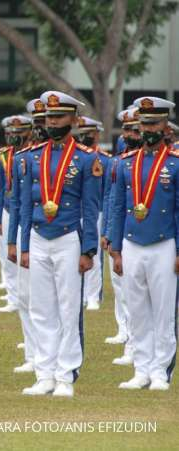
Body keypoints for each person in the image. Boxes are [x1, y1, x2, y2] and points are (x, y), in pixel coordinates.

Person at [19, 91, 100, 397]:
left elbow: (91, 208)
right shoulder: (31, 156)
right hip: (39, 235)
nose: (53, 122)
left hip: (68, 236)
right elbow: (25, 205)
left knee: (68, 309)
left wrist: (88, 249)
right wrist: (24, 246)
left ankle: (65, 375)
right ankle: (44, 373)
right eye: (49, 117)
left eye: (59, 117)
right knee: (40, 308)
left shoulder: (86, 158)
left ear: (74, 120)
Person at [110, 96, 178, 391]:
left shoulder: (174, 164)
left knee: (163, 310)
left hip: (164, 242)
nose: (148, 128)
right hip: (131, 242)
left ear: (165, 127)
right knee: (136, 308)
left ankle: (161, 370)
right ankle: (141, 367)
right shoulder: (125, 163)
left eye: (154, 123)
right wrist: (115, 247)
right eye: (144, 123)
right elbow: (116, 205)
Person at [6, 100, 47, 374]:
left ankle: (50, 356)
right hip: (27, 233)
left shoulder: (73, 157)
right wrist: (12, 241)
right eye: (40, 122)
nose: (43, 128)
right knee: (24, 296)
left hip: (57, 231)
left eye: (48, 121)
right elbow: (17, 205)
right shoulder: (24, 159)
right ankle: (32, 353)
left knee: (49, 301)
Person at [101, 107, 141, 365]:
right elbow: (110, 199)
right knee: (121, 288)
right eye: (126, 129)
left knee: (141, 295)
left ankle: (139, 344)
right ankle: (126, 335)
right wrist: (107, 231)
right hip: (121, 231)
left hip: (147, 233)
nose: (128, 135)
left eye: (134, 129)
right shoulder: (117, 162)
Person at [0, 116, 31, 314]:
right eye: (11, 133)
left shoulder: (33, 154)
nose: (15, 137)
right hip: (8, 208)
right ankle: (12, 296)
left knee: (29, 256)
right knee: (8, 255)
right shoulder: (2, 156)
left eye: (19, 133)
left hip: (30, 210)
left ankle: (27, 296)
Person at [75, 116, 109, 311]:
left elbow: (106, 192)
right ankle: (80, 294)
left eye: (87, 133)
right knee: (74, 255)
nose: (84, 136)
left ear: (96, 134)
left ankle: (93, 295)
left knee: (92, 253)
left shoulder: (104, 159)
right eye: (81, 133)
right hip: (75, 211)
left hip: (96, 212)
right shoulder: (77, 157)